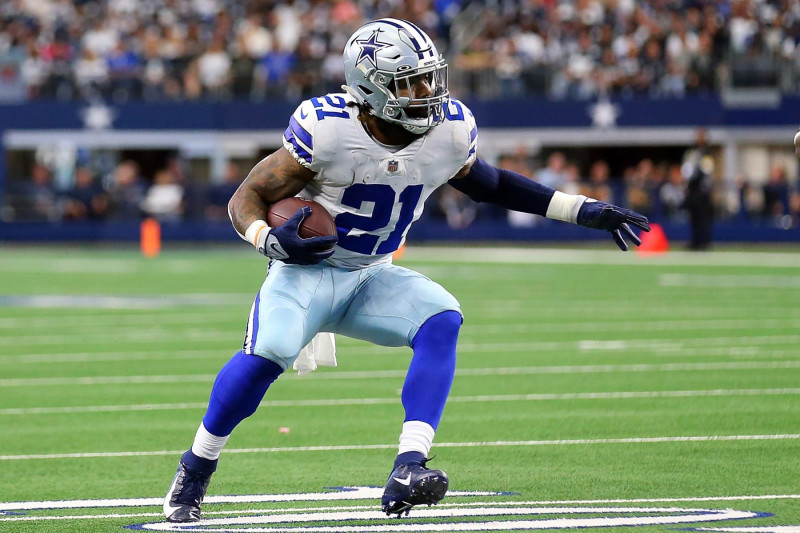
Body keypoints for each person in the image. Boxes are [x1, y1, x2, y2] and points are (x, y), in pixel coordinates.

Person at [163, 18, 650, 524]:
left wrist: (582, 210)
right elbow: (248, 195)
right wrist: (268, 238)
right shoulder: (328, 132)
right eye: (409, 82)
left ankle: (409, 465)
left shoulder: (448, 132)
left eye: (428, 78)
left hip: (373, 272)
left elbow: (493, 185)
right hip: (306, 271)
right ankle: (195, 468)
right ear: (369, 88)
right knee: (268, 355)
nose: (426, 92)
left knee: (442, 318)